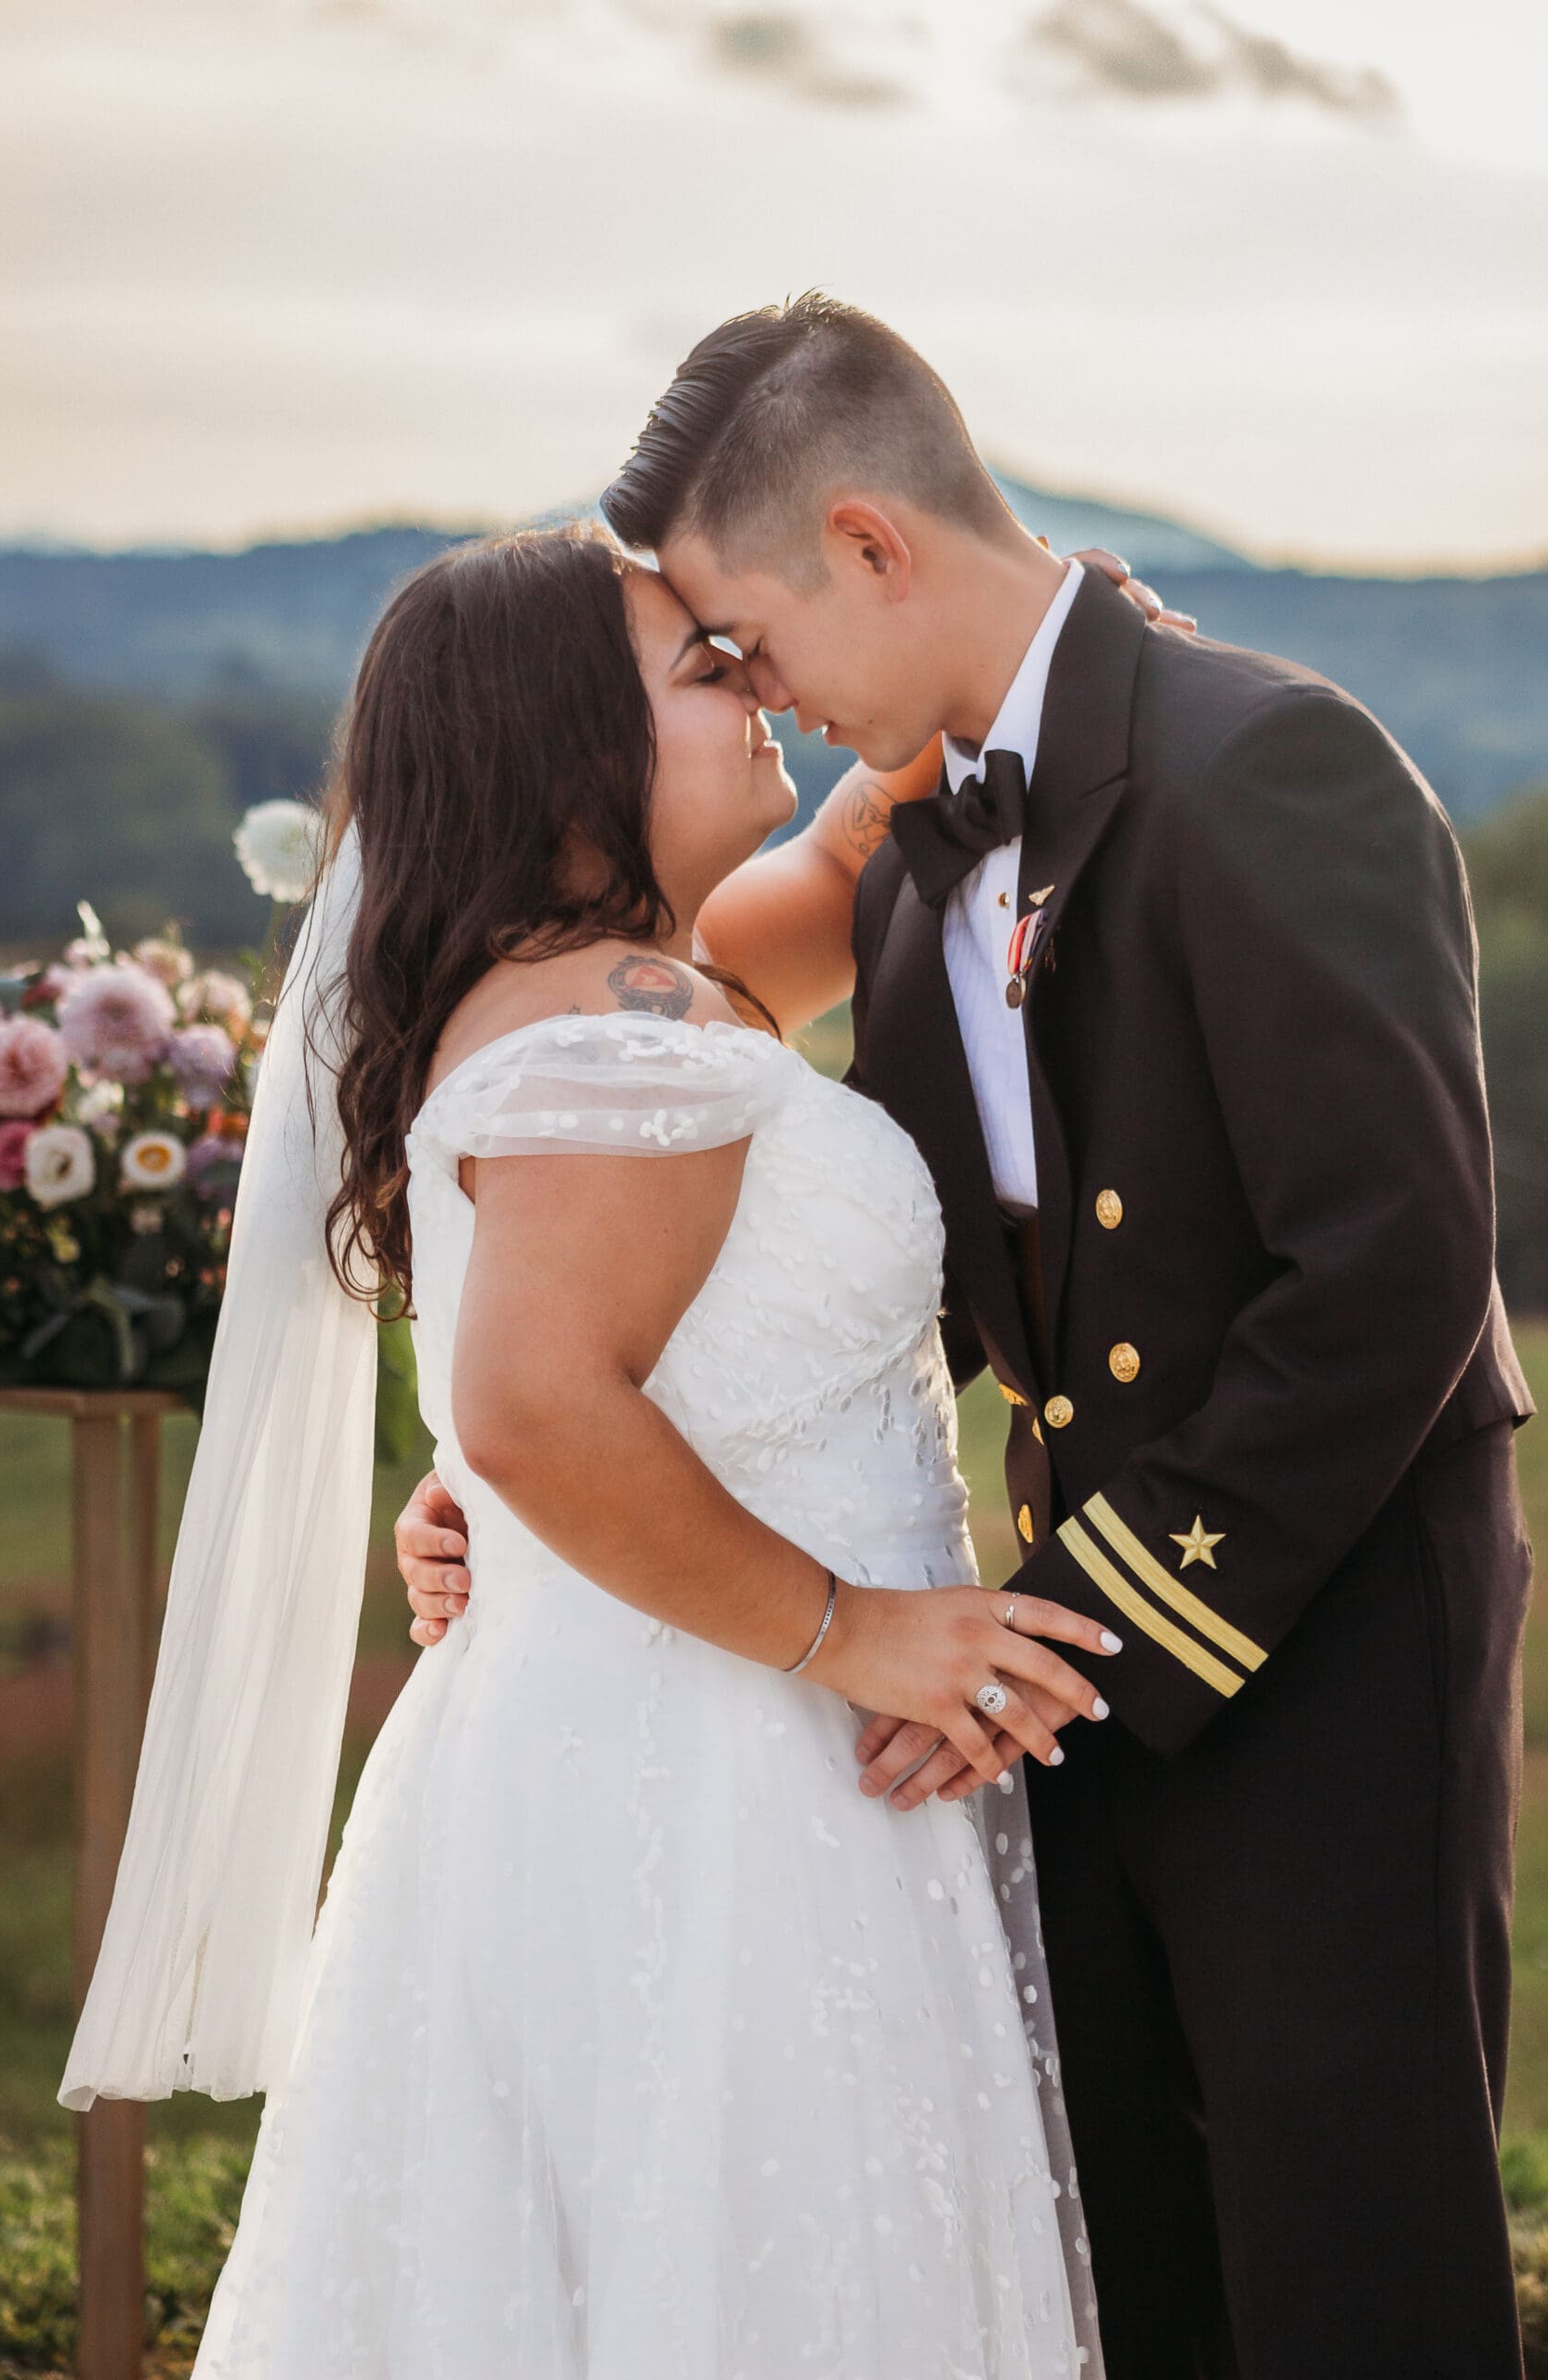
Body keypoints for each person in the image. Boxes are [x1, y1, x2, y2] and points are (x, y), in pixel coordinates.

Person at [399, 296, 1537, 2379]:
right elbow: (856, 1277)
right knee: (1135, 2248)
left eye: (747, 638)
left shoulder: (1263, 751)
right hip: (1037, 1662)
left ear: (869, 543)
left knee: (1344, 2236)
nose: (760, 695)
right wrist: (508, 1470)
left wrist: (1060, 1632)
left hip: (1306, 1612)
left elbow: (1388, 1262)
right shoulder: (910, 869)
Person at [60, 513, 1174, 2375]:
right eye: (703, 669)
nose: (758, 691)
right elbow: (532, 1400)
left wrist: (1022, 630)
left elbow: (837, 859)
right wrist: (855, 1628)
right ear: (570, 753)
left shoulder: (625, 983)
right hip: (729, 1788)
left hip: (634, 1752)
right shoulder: (617, 1038)